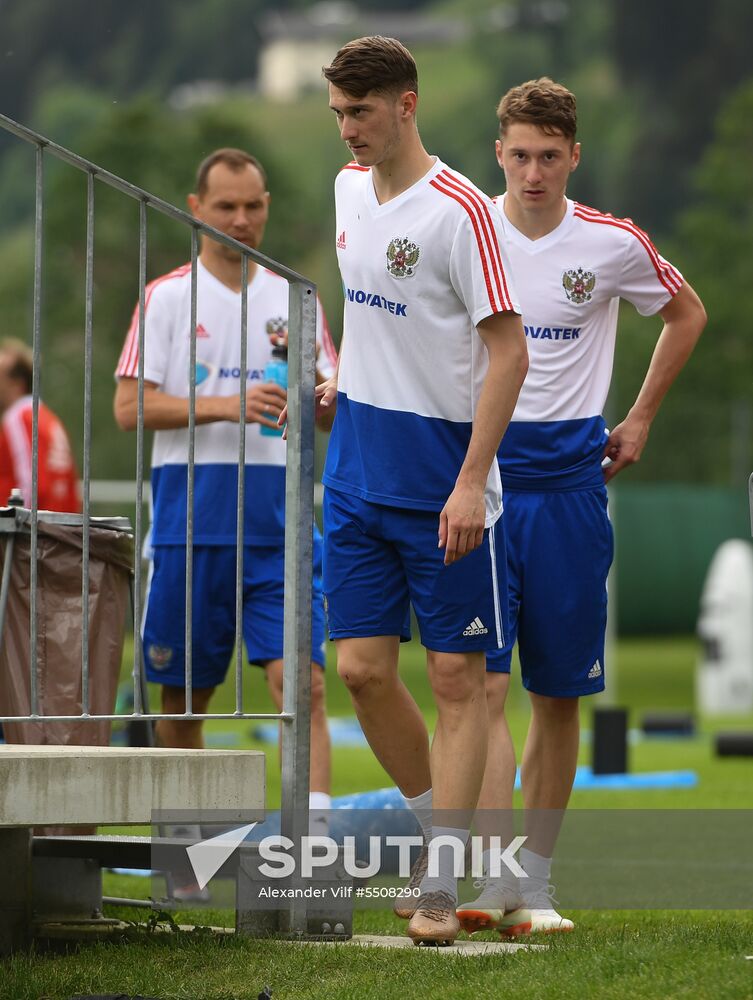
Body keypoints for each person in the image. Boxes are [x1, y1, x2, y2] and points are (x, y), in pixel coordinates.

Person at [456, 78, 707, 936]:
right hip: (479, 483)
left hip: (568, 486)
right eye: (519, 155)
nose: (532, 173)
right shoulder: (463, 229)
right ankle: (490, 881)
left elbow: (685, 312)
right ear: (498, 153)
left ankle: (539, 881)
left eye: (549, 157)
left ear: (573, 156)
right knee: (482, 687)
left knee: (555, 694)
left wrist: (637, 418)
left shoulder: (610, 242)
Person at [318, 37, 528, 945]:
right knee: (359, 672)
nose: (348, 130)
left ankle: (442, 884)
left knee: (455, 677)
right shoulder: (342, 189)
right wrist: (341, 388)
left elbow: (507, 352)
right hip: (355, 473)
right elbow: (376, 326)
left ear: (405, 104)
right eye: (337, 113)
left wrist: (471, 483)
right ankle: (431, 843)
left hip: (444, 483)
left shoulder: (462, 213)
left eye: (360, 112)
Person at [113, 148, 337, 832]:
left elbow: (328, 404)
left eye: (254, 206)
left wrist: (324, 399)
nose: (241, 220)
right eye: (226, 207)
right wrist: (226, 403)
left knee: (304, 685)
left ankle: (312, 842)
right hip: (190, 522)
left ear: (267, 206)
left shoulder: (296, 297)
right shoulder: (166, 296)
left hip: (280, 527)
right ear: (196, 208)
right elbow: (128, 409)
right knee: (182, 700)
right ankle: (191, 849)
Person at [0, 338, 81, 512]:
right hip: (59, 528)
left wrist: (16, 530)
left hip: (35, 532)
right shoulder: (46, 416)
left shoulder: (18, 418)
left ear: (17, 384)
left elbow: (29, 482)